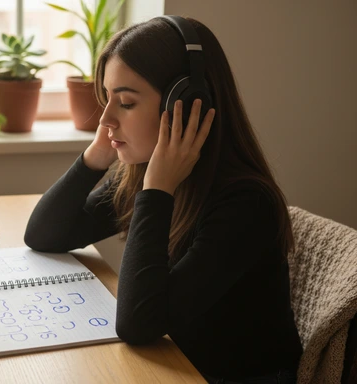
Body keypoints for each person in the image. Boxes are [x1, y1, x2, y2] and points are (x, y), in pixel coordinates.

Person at [24, 15, 302, 384]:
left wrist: (157, 190)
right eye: (106, 98)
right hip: (174, 365)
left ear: (186, 104)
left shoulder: (246, 205)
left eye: (124, 102)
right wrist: (96, 156)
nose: (105, 118)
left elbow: (139, 323)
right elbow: (44, 235)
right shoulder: (144, 174)